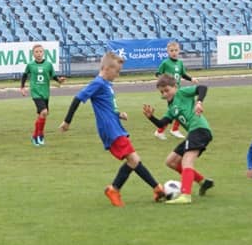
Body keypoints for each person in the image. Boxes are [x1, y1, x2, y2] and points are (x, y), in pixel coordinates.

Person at [59, 51, 166, 207]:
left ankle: (153, 189)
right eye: (116, 71)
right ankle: (120, 189)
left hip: (115, 125)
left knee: (133, 160)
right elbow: (77, 98)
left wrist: (118, 114)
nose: (118, 75)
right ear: (106, 68)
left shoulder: (107, 84)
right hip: (110, 129)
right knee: (134, 159)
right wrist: (67, 121)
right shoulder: (98, 83)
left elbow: (106, 106)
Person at [143, 74, 214, 204]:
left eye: (167, 90)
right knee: (171, 161)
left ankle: (186, 195)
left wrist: (199, 102)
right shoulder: (171, 108)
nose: (165, 94)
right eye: (162, 92)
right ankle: (203, 182)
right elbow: (161, 124)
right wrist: (151, 117)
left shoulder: (181, 93)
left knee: (186, 161)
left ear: (175, 87)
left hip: (200, 130)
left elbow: (202, 88)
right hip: (194, 133)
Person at [21, 44, 65, 146]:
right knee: (44, 112)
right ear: (33, 54)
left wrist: (59, 80)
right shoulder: (30, 65)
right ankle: (40, 136)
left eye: (40, 51)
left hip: (45, 93)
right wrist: (22, 87)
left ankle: (34, 136)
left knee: (42, 115)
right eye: (36, 52)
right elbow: (24, 75)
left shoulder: (48, 65)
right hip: (35, 92)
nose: (39, 54)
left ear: (43, 53)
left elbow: (53, 76)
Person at [153, 41, 197, 140]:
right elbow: (158, 73)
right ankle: (163, 131)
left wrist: (191, 79)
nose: (174, 52)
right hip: (170, 93)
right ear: (168, 52)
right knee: (174, 111)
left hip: (178, 91)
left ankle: (172, 129)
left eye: (176, 50)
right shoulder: (165, 63)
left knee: (179, 109)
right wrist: (163, 84)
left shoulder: (180, 63)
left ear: (179, 51)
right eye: (171, 50)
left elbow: (183, 74)